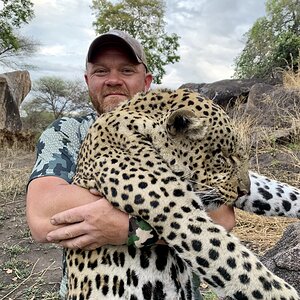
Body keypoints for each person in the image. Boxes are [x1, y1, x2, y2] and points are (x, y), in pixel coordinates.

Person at [26, 29, 236, 299]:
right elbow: (43, 216)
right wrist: (170, 208)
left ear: (146, 81)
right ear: (87, 80)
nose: (113, 80)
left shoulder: (179, 130)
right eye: (101, 71)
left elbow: (222, 217)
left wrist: (129, 229)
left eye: (126, 71)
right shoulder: (67, 131)